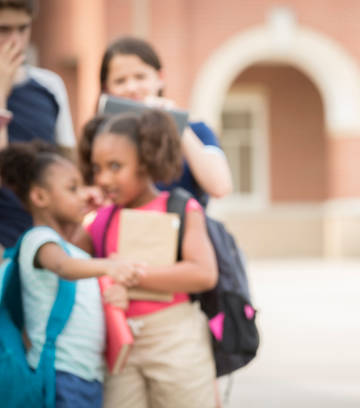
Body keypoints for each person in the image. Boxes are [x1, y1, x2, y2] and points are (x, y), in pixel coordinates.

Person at [76, 109, 219, 408]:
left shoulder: (178, 206)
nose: (103, 178)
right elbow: (75, 262)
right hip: (120, 341)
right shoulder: (101, 219)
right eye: (97, 168)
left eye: (115, 167)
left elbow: (204, 273)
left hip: (175, 339)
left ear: (146, 162)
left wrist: (133, 274)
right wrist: (77, 212)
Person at [0, 141, 143, 408]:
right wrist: (109, 266)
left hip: (87, 375)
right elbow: (64, 267)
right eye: (72, 188)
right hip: (60, 375)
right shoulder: (38, 239)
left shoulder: (74, 250)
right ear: (40, 197)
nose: (82, 195)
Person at [98, 36, 232, 206]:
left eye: (140, 77)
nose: (131, 88)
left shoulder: (197, 131)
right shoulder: (100, 138)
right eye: (120, 81)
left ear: (160, 78)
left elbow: (220, 187)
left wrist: (176, 123)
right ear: (106, 88)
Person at [0, 0, 77, 257]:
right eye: (4, 30)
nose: (15, 41)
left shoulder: (49, 86)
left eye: (23, 29)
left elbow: (67, 163)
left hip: (44, 245)